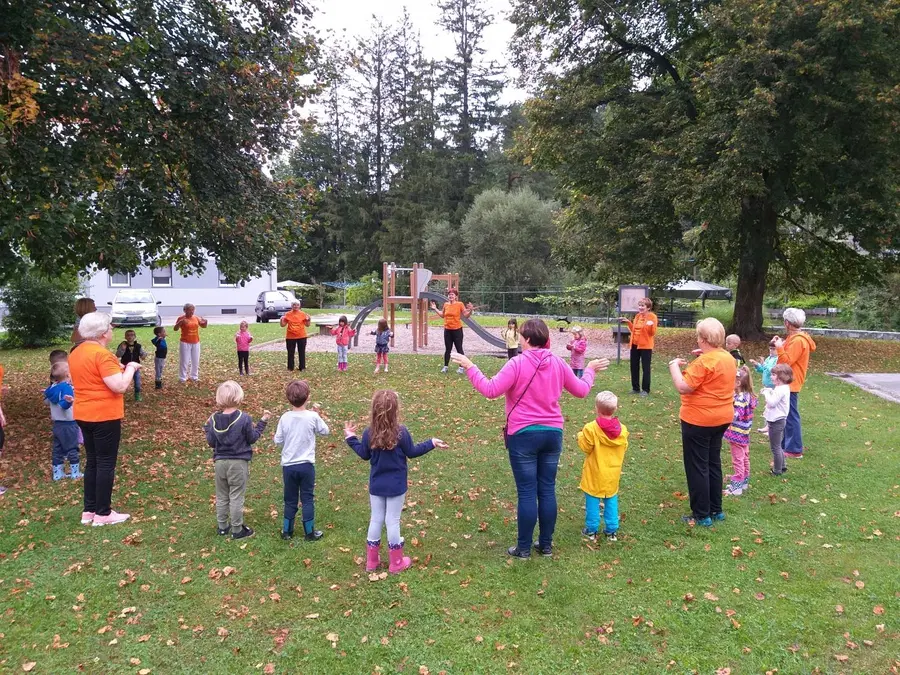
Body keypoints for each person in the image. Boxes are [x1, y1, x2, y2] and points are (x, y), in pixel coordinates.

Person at [451, 319, 609, 558]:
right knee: (546, 489)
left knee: (527, 492)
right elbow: (582, 390)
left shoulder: (517, 363)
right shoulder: (557, 362)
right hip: (552, 435)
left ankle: (524, 548)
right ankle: (545, 545)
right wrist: (590, 371)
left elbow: (491, 389)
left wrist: (471, 366)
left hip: (523, 435)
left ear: (526, 339)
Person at [344, 390, 447, 574]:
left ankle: (372, 561)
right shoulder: (401, 433)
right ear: (396, 410)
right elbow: (413, 452)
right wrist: (431, 443)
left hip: (376, 486)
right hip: (396, 486)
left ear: (374, 410)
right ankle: (396, 562)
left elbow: (364, 454)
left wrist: (351, 438)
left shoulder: (369, 433)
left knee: (376, 519)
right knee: (392, 521)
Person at [68, 312, 140, 526]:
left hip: (83, 413)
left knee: (93, 462)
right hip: (104, 415)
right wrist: (130, 368)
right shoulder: (102, 355)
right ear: (101, 333)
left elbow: (88, 378)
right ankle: (103, 513)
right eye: (110, 327)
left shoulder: (76, 353)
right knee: (105, 463)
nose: (112, 331)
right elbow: (119, 386)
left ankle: (89, 510)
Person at [668, 318, 737, 527]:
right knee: (712, 461)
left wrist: (673, 366)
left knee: (697, 465)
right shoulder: (727, 357)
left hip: (699, 420)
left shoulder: (704, 362)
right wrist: (704, 357)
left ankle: (701, 514)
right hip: (722, 417)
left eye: (698, 336)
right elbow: (714, 371)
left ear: (704, 339)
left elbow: (683, 386)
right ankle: (716, 510)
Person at [204, 380, 271, 540]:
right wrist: (263, 422)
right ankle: (236, 529)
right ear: (239, 397)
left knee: (222, 496)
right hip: (238, 463)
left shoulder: (213, 419)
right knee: (236, 496)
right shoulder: (244, 418)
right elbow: (252, 437)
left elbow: (211, 442)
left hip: (220, 463)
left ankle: (222, 527)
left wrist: (206, 428)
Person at [274, 380, 329, 541]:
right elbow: (325, 431)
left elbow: (277, 440)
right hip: (306, 465)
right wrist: (318, 415)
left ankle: (287, 531)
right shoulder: (312, 416)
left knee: (290, 498)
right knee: (307, 497)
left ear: (288, 398)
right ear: (308, 397)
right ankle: (309, 532)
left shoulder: (285, 418)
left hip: (289, 466)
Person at [577, 391, 629, 542]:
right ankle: (611, 530)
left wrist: (580, 436)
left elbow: (586, 447)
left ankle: (591, 529)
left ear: (597, 409)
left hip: (595, 472)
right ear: (615, 409)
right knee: (611, 499)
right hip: (612, 473)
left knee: (592, 500)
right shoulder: (622, 430)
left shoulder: (590, 429)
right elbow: (624, 447)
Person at [774, 308, 816, 459]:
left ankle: (795, 449)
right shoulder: (794, 338)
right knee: (786, 414)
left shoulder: (799, 340)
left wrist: (779, 347)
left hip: (791, 382)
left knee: (791, 415)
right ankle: (787, 445)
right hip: (787, 381)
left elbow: (787, 361)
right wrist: (780, 344)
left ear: (787, 323)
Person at [44, 361, 82, 480]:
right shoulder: (67, 388)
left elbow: (46, 401)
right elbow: (64, 405)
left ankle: (57, 473)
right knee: (72, 447)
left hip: (57, 424)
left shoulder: (51, 388)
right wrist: (70, 401)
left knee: (58, 448)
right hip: (69, 423)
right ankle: (75, 472)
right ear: (68, 375)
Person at [723, 366, 757, 496]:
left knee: (738, 459)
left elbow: (735, 415)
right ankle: (744, 482)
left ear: (738, 383)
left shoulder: (740, 399)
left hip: (737, 434)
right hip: (745, 433)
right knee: (745, 457)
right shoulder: (748, 396)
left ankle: (736, 487)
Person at [619, 298, 658, 396]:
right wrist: (628, 322)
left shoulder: (652, 317)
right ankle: (635, 388)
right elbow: (633, 330)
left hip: (646, 346)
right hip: (634, 345)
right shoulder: (637, 316)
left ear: (648, 307)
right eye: (639, 305)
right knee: (634, 367)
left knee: (646, 368)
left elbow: (652, 333)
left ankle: (645, 390)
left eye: (643, 306)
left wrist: (650, 325)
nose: (640, 308)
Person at [431, 289, 474, 374]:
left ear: (456, 296)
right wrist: (435, 308)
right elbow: (442, 315)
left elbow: (466, 315)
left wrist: (471, 310)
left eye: (452, 295)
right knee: (448, 349)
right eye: (450, 294)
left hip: (457, 330)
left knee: (459, 349)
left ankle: (461, 368)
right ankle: (445, 367)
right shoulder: (446, 304)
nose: (451, 296)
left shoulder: (459, 304)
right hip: (447, 330)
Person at [760, 364, 792, 476]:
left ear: (781, 376)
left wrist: (766, 393)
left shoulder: (781, 389)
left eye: (773, 375)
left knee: (775, 447)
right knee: (778, 446)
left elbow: (772, 403)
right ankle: (782, 466)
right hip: (779, 420)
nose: (771, 376)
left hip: (777, 421)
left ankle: (777, 471)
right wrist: (770, 390)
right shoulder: (782, 388)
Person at [750, 338, 779, 434]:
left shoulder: (777, 359)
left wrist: (764, 364)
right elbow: (763, 369)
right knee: (767, 406)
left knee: (772, 406)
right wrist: (757, 365)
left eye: (773, 349)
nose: (771, 350)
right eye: (770, 348)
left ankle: (770, 427)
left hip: (773, 386)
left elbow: (772, 370)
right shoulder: (769, 358)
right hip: (767, 385)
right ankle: (767, 426)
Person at [174, 303, 208, 382]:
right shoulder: (181, 318)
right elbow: (175, 329)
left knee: (195, 360)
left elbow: (203, 326)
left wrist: (205, 322)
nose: (192, 312)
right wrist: (180, 322)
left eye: (193, 310)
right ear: (185, 310)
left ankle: (194, 376)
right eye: (190, 310)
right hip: (185, 342)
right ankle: (182, 377)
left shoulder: (196, 318)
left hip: (196, 341)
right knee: (184, 360)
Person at [116, 330, 147, 402]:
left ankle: (137, 395)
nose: (130, 337)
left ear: (135, 336)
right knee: (122, 382)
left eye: (132, 335)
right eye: (128, 335)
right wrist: (122, 349)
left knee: (137, 382)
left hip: (135, 367)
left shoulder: (138, 346)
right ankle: (120, 395)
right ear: (125, 337)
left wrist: (144, 355)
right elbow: (118, 355)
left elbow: (142, 355)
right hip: (125, 366)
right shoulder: (122, 345)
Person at [281, 300, 311, 372]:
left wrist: (309, 319)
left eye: (297, 305)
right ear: (291, 306)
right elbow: (283, 325)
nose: (296, 306)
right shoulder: (287, 314)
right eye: (294, 305)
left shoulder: (303, 314)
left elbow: (307, 325)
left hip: (301, 336)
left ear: (299, 306)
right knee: (290, 353)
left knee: (302, 352)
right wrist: (281, 320)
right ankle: (290, 368)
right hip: (290, 336)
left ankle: (302, 367)